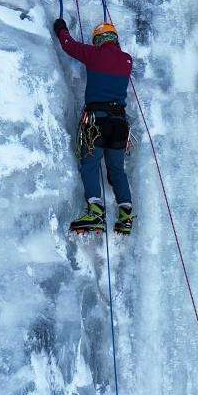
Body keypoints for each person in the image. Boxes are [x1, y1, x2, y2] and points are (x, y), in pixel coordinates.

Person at [53, 17, 135, 235]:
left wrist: (60, 28)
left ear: (98, 39)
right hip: (119, 124)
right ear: (115, 40)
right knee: (117, 169)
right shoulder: (127, 60)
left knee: (90, 165)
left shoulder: (94, 54)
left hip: (96, 122)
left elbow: (68, 45)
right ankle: (125, 215)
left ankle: (96, 212)